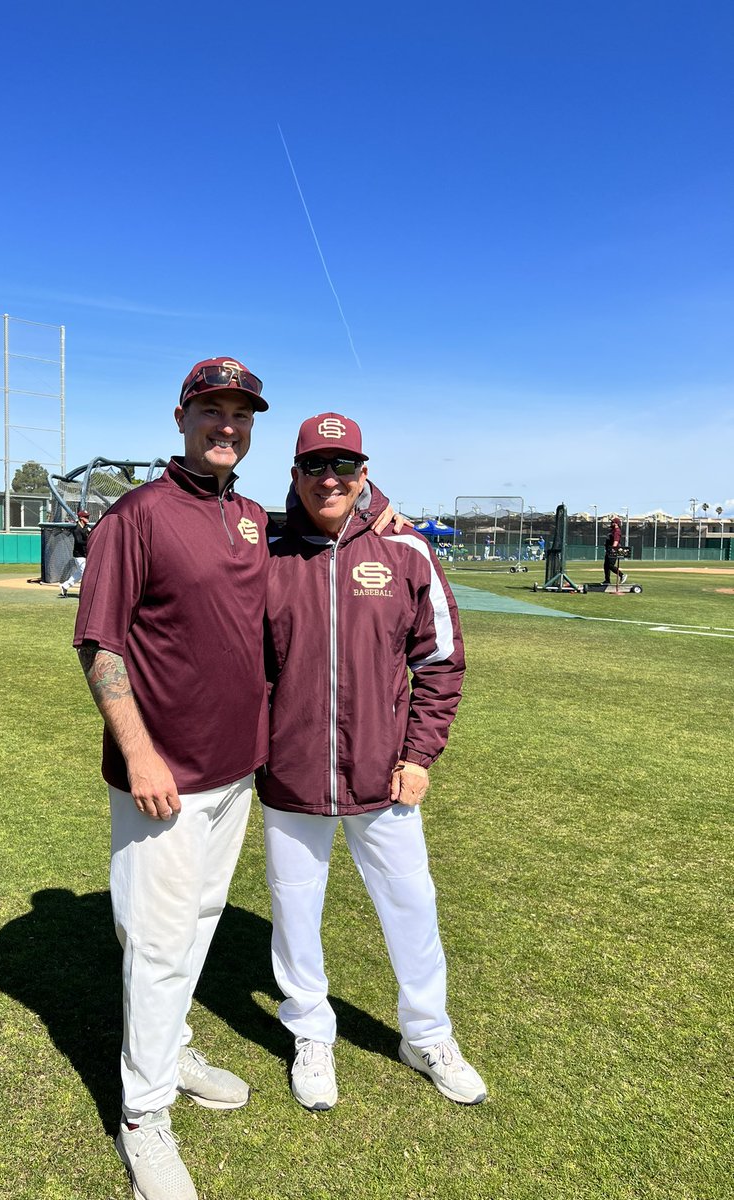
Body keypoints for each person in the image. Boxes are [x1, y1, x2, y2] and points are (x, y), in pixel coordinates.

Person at [72, 357, 271, 1200]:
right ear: (182, 418)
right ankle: (143, 1113)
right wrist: (141, 749)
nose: (226, 425)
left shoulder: (255, 516)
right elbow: (99, 644)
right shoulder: (136, 516)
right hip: (164, 775)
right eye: (211, 410)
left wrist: (376, 504)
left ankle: (170, 1047)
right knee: (155, 944)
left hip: (235, 771)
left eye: (240, 412)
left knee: (198, 922)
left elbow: (333, 528)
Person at [257, 412, 487, 1114]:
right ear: (294, 474)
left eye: (344, 466)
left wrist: (419, 754)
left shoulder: (406, 550)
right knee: (296, 911)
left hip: (384, 772)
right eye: (315, 465)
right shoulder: (264, 551)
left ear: (364, 471)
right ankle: (311, 1034)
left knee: (411, 905)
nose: (330, 478)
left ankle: (426, 1034)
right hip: (290, 771)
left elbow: (441, 663)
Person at [58, 509, 91, 597]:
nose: (87, 518)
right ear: (80, 518)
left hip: (85, 554)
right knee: (85, 573)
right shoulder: (77, 529)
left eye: (87, 516)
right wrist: (90, 541)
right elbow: (79, 541)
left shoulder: (87, 527)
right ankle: (84, 593)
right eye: (85, 517)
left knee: (79, 573)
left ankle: (65, 586)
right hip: (79, 555)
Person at [603, 515, 627, 586]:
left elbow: (616, 541)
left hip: (613, 550)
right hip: (609, 550)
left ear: (616, 523)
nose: (611, 523)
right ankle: (607, 580)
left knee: (610, 565)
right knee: (606, 566)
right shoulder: (612, 530)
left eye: (612, 522)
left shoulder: (617, 531)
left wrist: (612, 549)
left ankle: (622, 575)